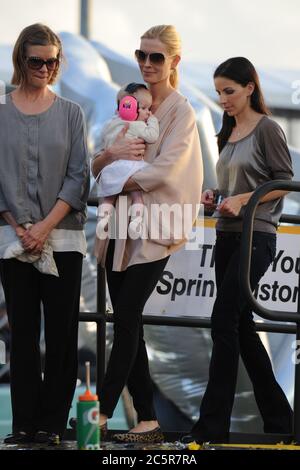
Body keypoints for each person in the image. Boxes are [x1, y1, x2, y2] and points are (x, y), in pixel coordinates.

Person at [92, 24, 203, 443]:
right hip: (116, 229)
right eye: (142, 55)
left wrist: (114, 178)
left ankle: (100, 412)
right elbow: (98, 161)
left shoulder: (182, 111)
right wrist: (108, 158)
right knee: (129, 322)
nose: (147, 63)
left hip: (154, 229)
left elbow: (168, 170)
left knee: (125, 320)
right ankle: (149, 420)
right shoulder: (129, 100)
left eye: (156, 57)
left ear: (175, 61)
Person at [183, 57, 294, 444]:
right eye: (218, 92)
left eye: (229, 91)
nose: (223, 99)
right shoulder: (225, 131)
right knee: (242, 330)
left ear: (250, 87)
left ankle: (212, 426)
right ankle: (281, 421)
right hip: (226, 236)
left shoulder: (268, 129)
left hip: (256, 238)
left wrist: (246, 199)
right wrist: (218, 198)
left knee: (223, 322)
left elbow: (284, 182)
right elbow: (233, 189)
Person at [0, 24, 90, 445]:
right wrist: (20, 227)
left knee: (61, 335)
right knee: (21, 334)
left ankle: (53, 425)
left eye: (52, 61)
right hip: (12, 240)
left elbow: (78, 178)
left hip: (63, 240)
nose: (45, 68)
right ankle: (23, 425)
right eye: (36, 60)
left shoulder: (71, 113)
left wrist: (44, 226)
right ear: (21, 59)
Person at [95, 82, 159, 239]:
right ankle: (136, 221)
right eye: (143, 108)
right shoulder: (135, 125)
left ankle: (102, 221)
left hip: (110, 168)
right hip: (129, 167)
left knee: (108, 197)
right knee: (137, 194)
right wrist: (153, 121)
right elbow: (152, 136)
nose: (147, 113)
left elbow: (103, 141)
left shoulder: (110, 123)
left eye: (149, 109)